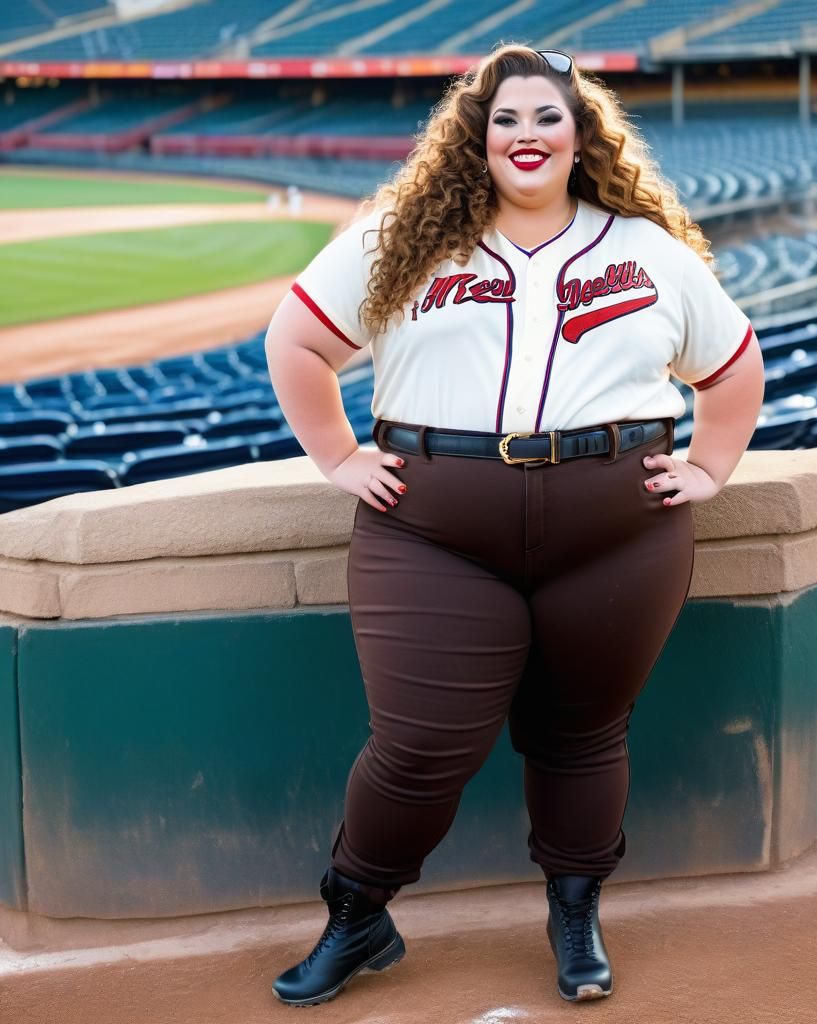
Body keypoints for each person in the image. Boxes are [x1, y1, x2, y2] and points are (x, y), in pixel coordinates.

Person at [263, 44, 764, 1008]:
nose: (525, 134)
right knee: (416, 746)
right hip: (434, 528)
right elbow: (296, 341)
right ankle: (357, 914)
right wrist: (335, 456)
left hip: (616, 529)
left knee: (583, 733)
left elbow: (734, 366)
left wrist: (710, 466)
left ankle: (574, 912)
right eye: (505, 119)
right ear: (476, 136)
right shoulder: (401, 237)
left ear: (582, 138)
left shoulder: (644, 248)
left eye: (547, 118)